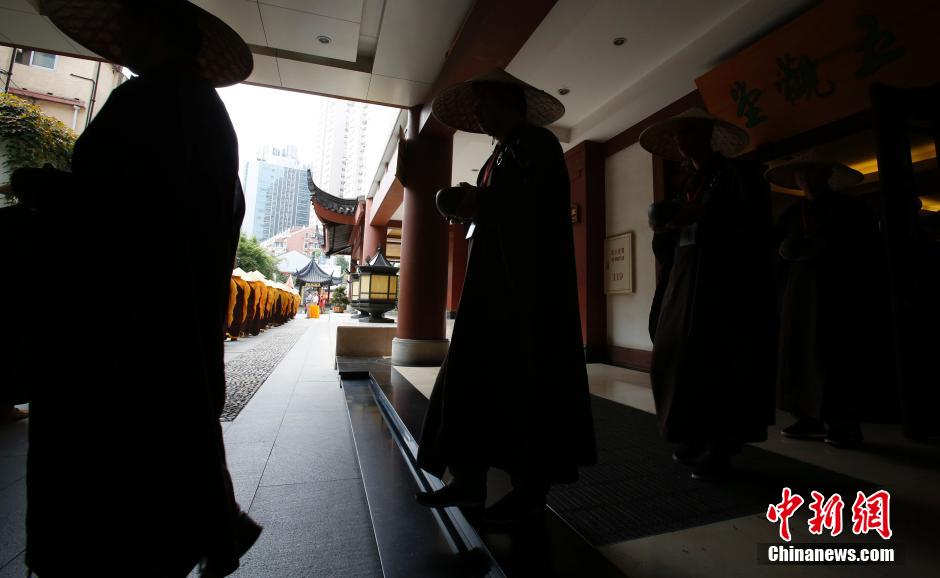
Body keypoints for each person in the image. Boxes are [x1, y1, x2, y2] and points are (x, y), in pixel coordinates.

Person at [12, 2, 259, 575]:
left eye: (133, 26)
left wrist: (52, 193)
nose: (124, 39)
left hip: (120, 323)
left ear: (156, 30)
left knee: (113, 474)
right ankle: (204, 526)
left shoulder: (151, 102)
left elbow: (125, 210)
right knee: (167, 439)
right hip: (170, 317)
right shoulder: (204, 111)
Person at [415, 69, 596, 525]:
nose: (478, 113)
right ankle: (468, 481)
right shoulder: (499, 154)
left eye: (485, 103)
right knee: (471, 381)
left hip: (528, 290)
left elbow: (536, 209)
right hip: (492, 285)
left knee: (527, 385)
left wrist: (479, 203)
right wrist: (470, 205)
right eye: (476, 105)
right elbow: (495, 210)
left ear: (513, 106)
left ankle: (530, 491)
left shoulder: (538, 145)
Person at [641, 108, 776, 480]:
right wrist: (662, 227)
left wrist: (704, 214)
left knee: (717, 360)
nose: (681, 141)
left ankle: (720, 446)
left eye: (688, 133)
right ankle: (694, 435)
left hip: (724, 282)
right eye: (678, 136)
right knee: (679, 358)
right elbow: (670, 243)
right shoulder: (686, 182)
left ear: (708, 134)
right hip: (684, 280)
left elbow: (755, 227)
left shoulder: (738, 176)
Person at [767, 154, 879, 448]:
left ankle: (844, 422)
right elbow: (774, 250)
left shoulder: (849, 209)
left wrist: (817, 247)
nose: (804, 176)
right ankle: (808, 417)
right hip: (797, 294)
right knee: (799, 352)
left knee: (836, 354)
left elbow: (863, 248)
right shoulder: (791, 213)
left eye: (810, 170)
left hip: (837, 292)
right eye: (799, 172)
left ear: (826, 173)